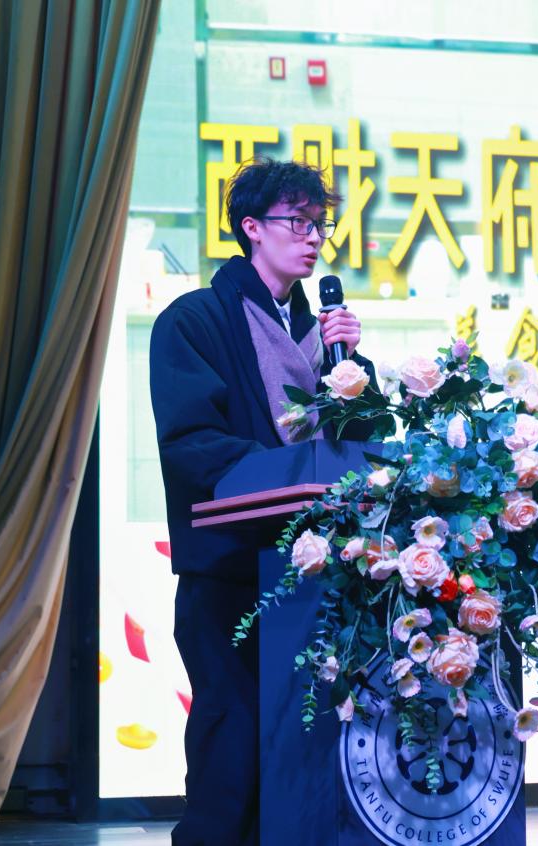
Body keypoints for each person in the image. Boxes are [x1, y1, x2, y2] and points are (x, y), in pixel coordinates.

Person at [149, 159, 377, 846]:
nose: (312, 238)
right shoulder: (196, 319)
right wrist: (284, 473)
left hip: (316, 572)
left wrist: (354, 372)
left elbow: (361, 446)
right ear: (251, 227)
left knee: (309, 750)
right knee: (235, 743)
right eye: (296, 223)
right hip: (231, 574)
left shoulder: (325, 335)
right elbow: (191, 441)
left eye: (319, 225)